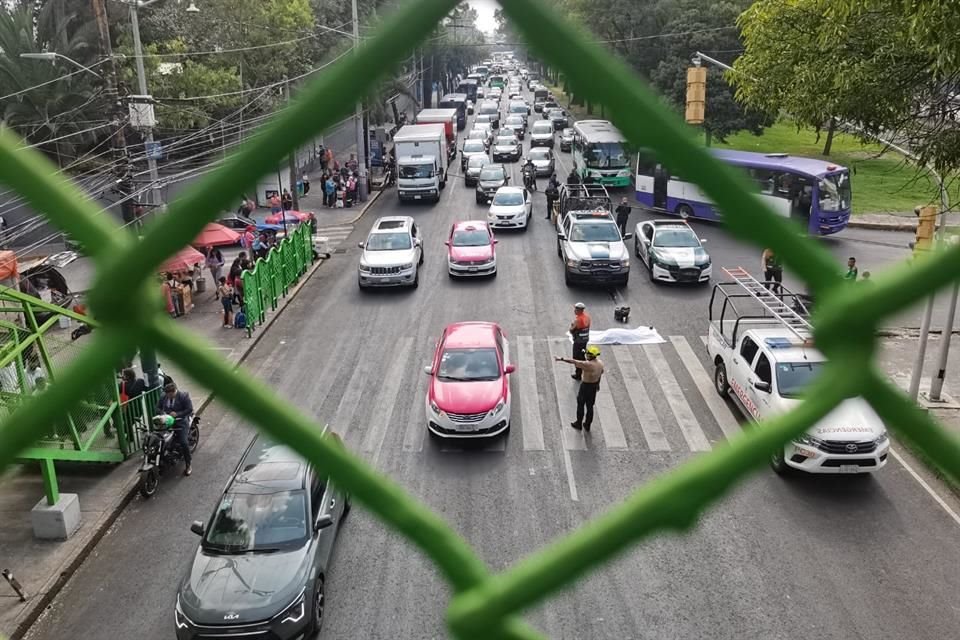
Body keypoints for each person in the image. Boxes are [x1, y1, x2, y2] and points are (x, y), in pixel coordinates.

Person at [555, 345, 604, 432]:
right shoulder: (600, 363)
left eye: (587, 354)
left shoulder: (587, 364)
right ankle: (587, 425)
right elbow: (601, 373)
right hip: (594, 386)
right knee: (590, 406)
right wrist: (598, 384)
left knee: (580, 404)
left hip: (586, 386)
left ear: (590, 355)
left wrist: (561, 359)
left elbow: (573, 361)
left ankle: (579, 423)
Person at [156, 381, 194, 476]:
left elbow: (189, 409)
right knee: (159, 439)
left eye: (169, 394)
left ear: (174, 392)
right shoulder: (163, 397)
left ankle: (188, 464)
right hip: (167, 422)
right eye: (166, 394)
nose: (167, 396)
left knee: (184, 443)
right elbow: (157, 408)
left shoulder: (183, 396)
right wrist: (162, 413)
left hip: (181, 422)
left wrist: (177, 414)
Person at [568, 302, 591, 380]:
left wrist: (572, 326)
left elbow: (571, 330)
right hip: (585, 340)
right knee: (582, 355)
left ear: (579, 310)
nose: (574, 310)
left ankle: (578, 374)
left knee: (576, 358)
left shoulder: (577, 320)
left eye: (576, 309)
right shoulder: (587, 317)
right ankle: (588, 368)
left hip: (578, 342)